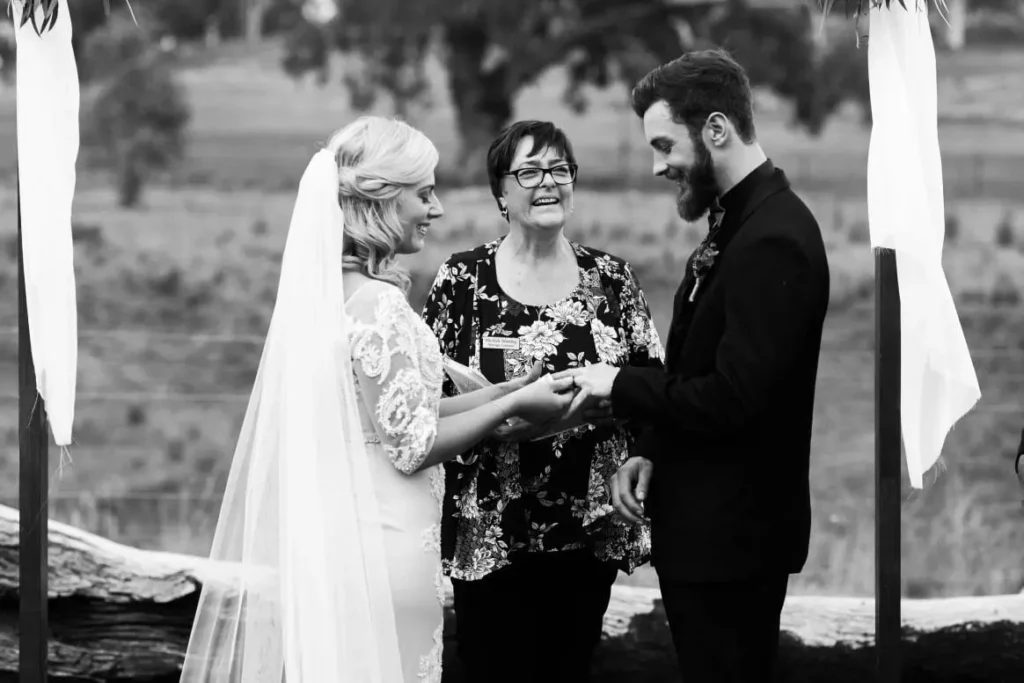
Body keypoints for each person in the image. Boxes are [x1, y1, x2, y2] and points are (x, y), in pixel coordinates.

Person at [178, 116, 577, 683]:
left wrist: (508, 392)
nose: (436, 209)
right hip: (386, 546)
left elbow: (395, 415)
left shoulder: (331, 298)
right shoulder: (377, 306)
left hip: (351, 543)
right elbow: (412, 444)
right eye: (424, 193)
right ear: (382, 202)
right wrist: (509, 411)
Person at [558, 50, 832, 683]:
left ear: (715, 129)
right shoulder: (739, 221)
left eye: (663, 145)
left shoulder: (774, 237)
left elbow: (735, 397)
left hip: (735, 544)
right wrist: (651, 446)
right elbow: (700, 363)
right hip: (706, 537)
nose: (657, 166)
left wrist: (619, 383)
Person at [420, 119, 665, 683]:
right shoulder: (462, 280)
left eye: (559, 169)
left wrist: (606, 412)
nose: (547, 182)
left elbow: (653, 386)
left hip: (585, 531)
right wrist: (508, 413)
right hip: (491, 532)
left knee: (567, 669)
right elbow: (426, 400)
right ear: (500, 193)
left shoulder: (612, 279)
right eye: (528, 171)